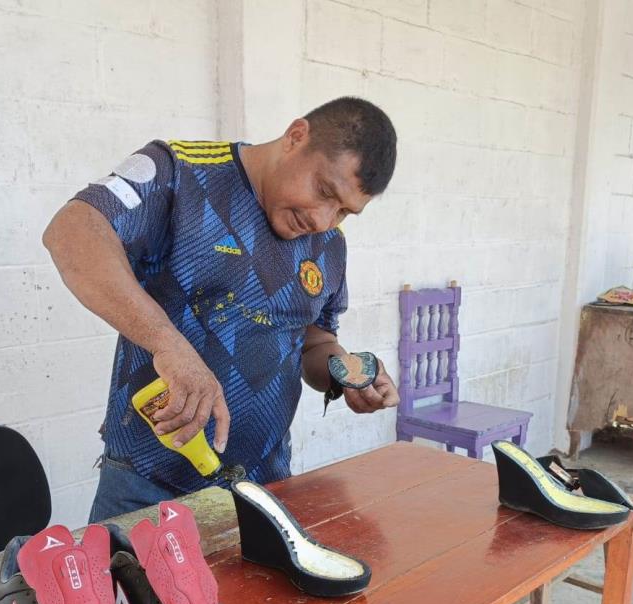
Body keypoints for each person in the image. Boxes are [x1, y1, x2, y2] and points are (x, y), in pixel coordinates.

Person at [43, 97, 400, 523]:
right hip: (147, 486)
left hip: (262, 485)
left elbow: (314, 340)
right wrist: (168, 346)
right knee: (128, 591)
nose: (324, 219)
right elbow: (72, 231)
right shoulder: (182, 173)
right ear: (296, 136)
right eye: (324, 191)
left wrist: (347, 372)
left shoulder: (329, 245)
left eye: (344, 211)